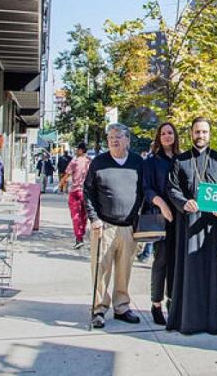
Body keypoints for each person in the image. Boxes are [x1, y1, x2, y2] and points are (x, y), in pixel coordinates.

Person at [166, 117, 217, 335]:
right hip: (188, 222)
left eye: (204, 132)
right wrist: (184, 202)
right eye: (197, 132)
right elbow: (172, 189)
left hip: (211, 224)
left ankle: (212, 322)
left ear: (209, 134)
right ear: (191, 133)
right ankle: (188, 321)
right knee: (189, 270)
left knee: (211, 270)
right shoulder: (180, 160)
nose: (200, 135)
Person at [84, 123, 144, 328]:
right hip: (104, 226)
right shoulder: (99, 163)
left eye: (118, 136)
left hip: (129, 226)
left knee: (124, 270)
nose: (114, 140)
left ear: (128, 139)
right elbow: (88, 192)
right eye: (110, 137)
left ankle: (122, 307)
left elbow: (144, 191)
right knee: (101, 270)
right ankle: (98, 309)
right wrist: (94, 219)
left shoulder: (137, 162)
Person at [141, 122, 179, 325]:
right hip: (161, 218)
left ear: (175, 136)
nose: (166, 136)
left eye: (170, 132)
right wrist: (162, 204)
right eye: (163, 133)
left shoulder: (182, 159)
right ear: (158, 136)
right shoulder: (151, 162)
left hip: (180, 219)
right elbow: (146, 189)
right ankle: (156, 304)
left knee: (175, 262)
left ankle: (172, 302)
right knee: (161, 261)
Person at [67, 142, 91, 249]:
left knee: (75, 215)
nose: (76, 151)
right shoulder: (90, 162)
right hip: (86, 192)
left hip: (75, 191)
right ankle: (82, 232)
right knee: (83, 215)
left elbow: (67, 173)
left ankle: (79, 237)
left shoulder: (75, 161)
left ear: (81, 150)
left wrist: (61, 185)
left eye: (77, 149)